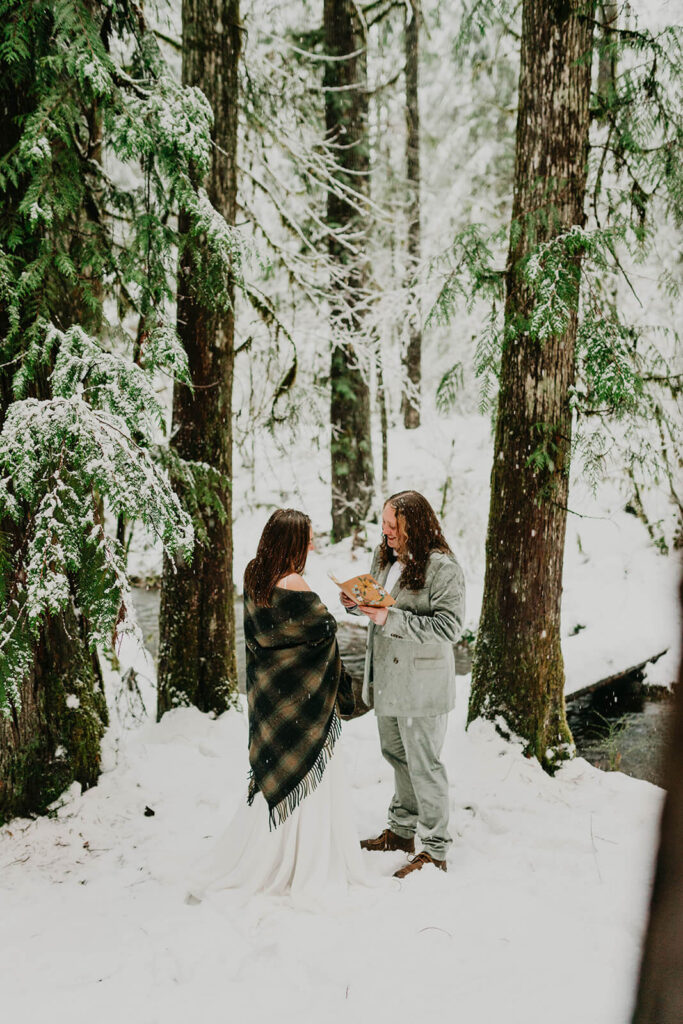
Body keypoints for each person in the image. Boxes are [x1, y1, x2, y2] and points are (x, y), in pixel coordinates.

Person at [197, 508, 369, 907]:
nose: (312, 543)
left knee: (273, 776)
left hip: (270, 696)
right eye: (307, 537)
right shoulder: (293, 581)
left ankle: (266, 852)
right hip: (302, 704)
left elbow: (273, 637)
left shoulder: (254, 573)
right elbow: (322, 628)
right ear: (292, 542)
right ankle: (302, 861)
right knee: (311, 783)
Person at [341, 490, 465, 879]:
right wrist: (354, 602)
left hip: (422, 686)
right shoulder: (383, 557)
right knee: (396, 758)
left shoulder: (443, 568)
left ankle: (435, 848)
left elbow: (450, 628)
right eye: (384, 523)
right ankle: (401, 831)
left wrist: (388, 620)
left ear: (416, 524)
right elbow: (378, 603)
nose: (386, 531)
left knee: (424, 765)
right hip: (388, 682)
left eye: (394, 524)